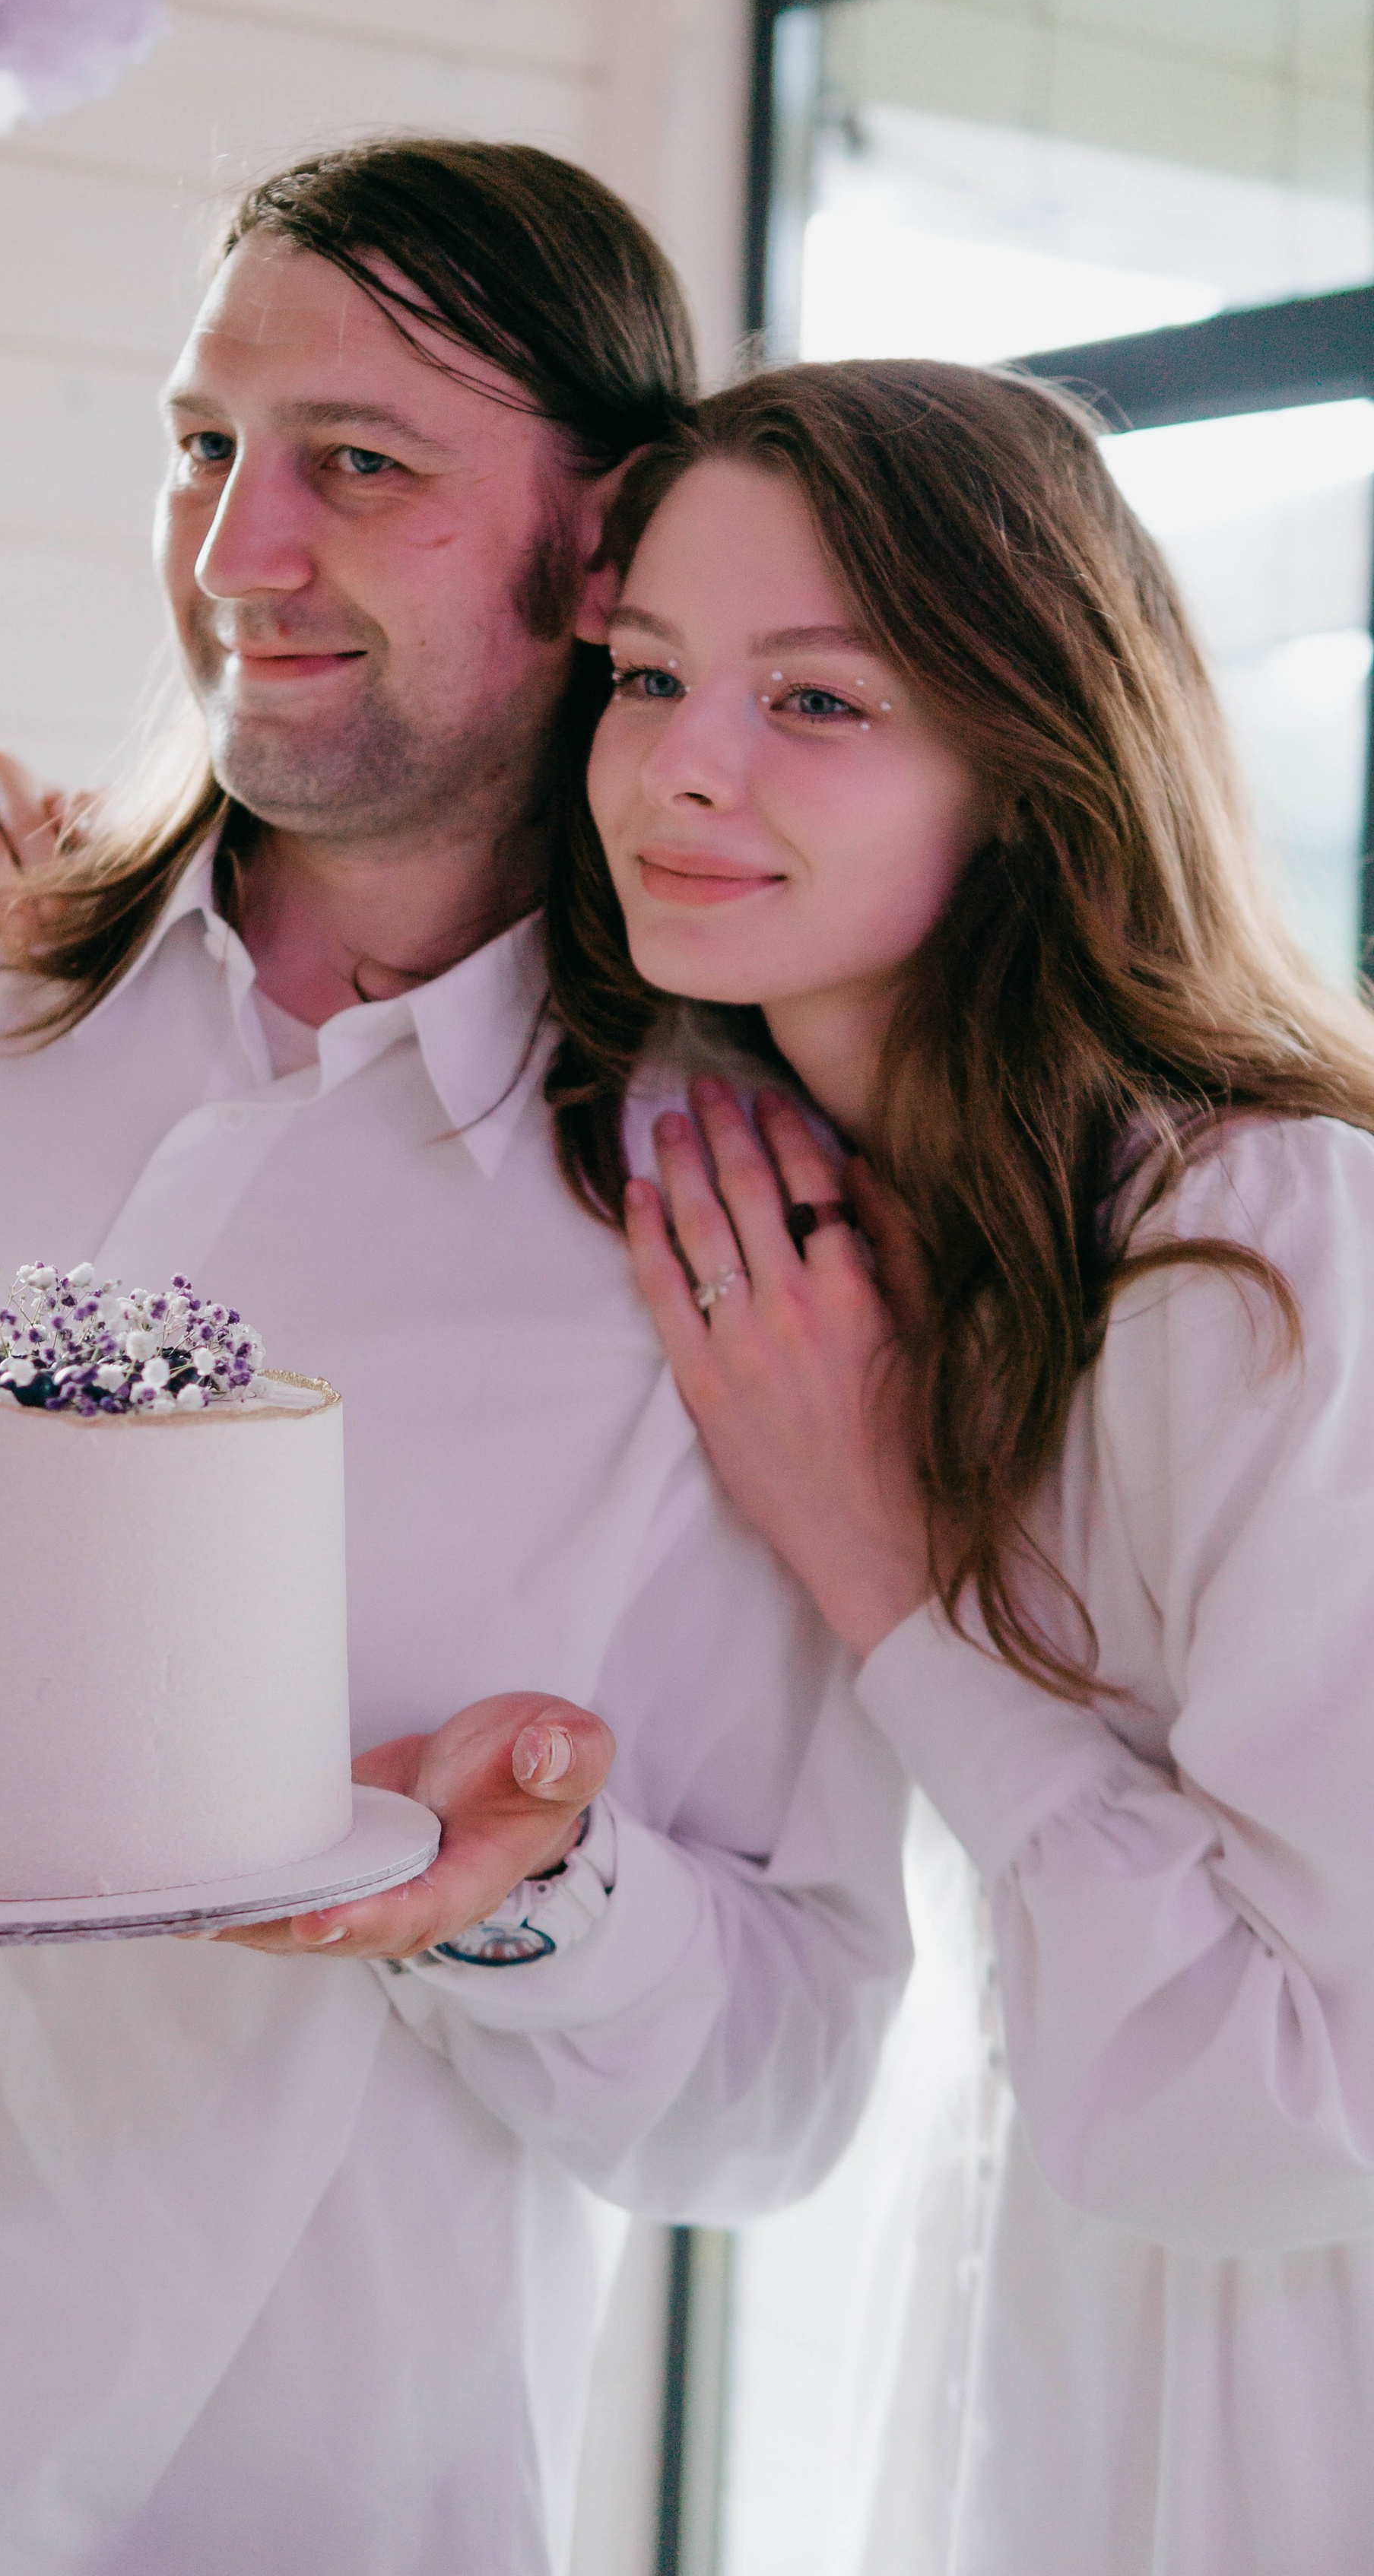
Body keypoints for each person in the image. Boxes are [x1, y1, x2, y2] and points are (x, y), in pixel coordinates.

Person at [0, 142, 909, 2576]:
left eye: (359, 463)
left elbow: (777, 2093)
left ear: (607, 538)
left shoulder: (726, 1235)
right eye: (203, 444)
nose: (235, 553)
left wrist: (517, 1894)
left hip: (223, 2505)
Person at [582, 363, 1374, 2575]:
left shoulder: (1276, 1259)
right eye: (647, 675)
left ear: (1030, 767)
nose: (684, 769)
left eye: (817, 702)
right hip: (1049, 2336)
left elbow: (1300, 2112)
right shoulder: (827, 1218)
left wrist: (888, 1586)